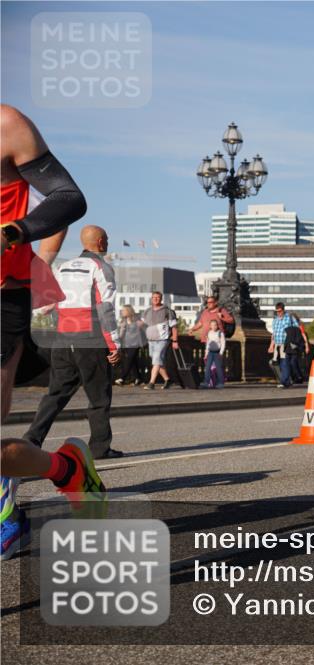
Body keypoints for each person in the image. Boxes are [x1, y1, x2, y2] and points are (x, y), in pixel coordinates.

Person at [2, 105, 98, 559]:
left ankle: (9, 513)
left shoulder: (7, 126)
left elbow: (67, 198)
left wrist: (15, 233)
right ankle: (65, 468)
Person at [23, 226, 123, 462]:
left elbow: (47, 306)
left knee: (55, 395)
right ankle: (100, 448)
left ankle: (31, 440)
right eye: (106, 239)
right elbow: (105, 308)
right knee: (99, 397)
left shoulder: (63, 267)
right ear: (100, 242)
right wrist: (114, 344)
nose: (107, 242)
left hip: (62, 339)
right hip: (90, 340)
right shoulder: (101, 267)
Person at [139, 291, 178, 390]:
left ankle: (151, 383)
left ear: (161, 299)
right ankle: (168, 380)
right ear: (151, 299)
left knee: (156, 360)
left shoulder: (167, 311)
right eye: (153, 297)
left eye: (157, 297)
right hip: (150, 340)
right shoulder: (147, 311)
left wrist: (175, 340)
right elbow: (142, 324)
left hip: (162, 340)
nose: (155, 299)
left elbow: (174, 327)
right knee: (157, 361)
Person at [268, 302, 302, 388]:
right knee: (276, 363)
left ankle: (284, 381)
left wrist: (293, 341)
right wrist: (271, 345)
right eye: (277, 311)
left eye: (280, 311)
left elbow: (297, 329)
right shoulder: (275, 320)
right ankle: (287, 380)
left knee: (284, 362)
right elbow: (274, 333)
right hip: (277, 344)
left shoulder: (290, 318)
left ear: (283, 310)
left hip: (286, 344)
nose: (278, 313)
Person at [115, 305, 145, 386]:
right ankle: (138, 379)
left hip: (135, 344)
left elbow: (143, 329)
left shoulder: (136, 320)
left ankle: (122, 378)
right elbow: (121, 334)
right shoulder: (123, 320)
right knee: (132, 361)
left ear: (128, 311)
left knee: (129, 360)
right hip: (126, 344)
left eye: (123, 310)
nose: (122, 312)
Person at [201, 319, 226, 388]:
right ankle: (206, 382)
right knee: (207, 367)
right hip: (210, 352)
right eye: (212, 325)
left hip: (217, 352)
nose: (214, 326)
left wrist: (221, 352)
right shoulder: (209, 333)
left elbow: (223, 343)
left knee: (218, 368)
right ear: (210, 326)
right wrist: (206, 353)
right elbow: (208, 344)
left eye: (215, 325)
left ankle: (221, 383)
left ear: (217, 326)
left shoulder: (220, 333)